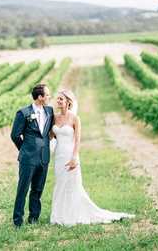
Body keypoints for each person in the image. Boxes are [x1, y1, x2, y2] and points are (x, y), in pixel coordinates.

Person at [50, 89, 134, 226]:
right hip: (59, 155)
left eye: (61, 99)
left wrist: (74, 157)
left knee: (72, 185)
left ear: (68, 102)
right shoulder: (55, 118)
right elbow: (51, 136)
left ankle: (73, 214)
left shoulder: (75, 119)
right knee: (60, 184)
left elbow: (77, 141)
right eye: (57, 99)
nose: (58, 101)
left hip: (70, 154)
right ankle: (59, 215)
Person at [10, 83, 54, 228]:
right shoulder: (23, 113)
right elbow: (15, 135)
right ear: (40, 97)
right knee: (23, 188)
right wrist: (25, 150)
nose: (49, 97)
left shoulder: (49, 111)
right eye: (47, 95)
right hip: (28, 158)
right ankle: (18, 221)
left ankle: (34, 217)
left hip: (44, 157)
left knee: (38, 189)